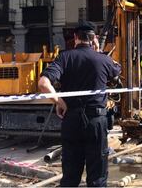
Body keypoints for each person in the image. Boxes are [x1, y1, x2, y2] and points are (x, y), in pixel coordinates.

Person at [38, 21, 121, 187]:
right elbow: (117, 72)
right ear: (93, 39)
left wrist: (59, 101)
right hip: (96, 120)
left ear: (75, 37)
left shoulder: (64, 57)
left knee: (70, 173)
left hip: (72, 119)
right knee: (97, 173)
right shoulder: (103, 59)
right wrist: (97, 51)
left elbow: (43, 83)